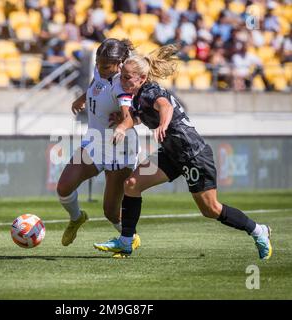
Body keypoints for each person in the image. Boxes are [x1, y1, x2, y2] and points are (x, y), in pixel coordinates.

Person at [93, 45, 272, 260]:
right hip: (171, 153)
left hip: (192, 153)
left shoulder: (150, 91)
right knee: (132, 184)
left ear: (141, 78)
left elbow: (165, 107)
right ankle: (125, 241)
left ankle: (258, 230)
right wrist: (123, 125)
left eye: (127, 78)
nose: (122, 82)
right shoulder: (139, 95)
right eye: (121, 77)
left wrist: (163, 125)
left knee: (211, 209)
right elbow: (138, 116)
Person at [57, 38, 141, 250]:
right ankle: (77, 218)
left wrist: (123, 125)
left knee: (110, 212)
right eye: (99, 63)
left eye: (106, 66)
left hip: (120, 148)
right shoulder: (100, 69)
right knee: (64, 187)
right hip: (95, 142)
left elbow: (131, 117)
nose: (101, 68)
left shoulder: (122, 84)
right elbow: (98, 85)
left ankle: (129, 237)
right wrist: (83, 98)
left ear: (120, 63)